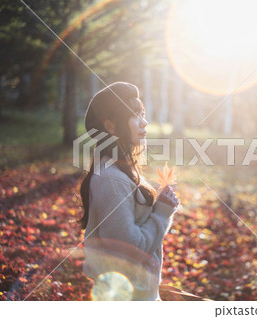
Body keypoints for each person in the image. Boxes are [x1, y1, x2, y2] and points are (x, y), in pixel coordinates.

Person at [77, 82, 179, 301]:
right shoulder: (111, 179)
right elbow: (128, 249)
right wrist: (161, 213)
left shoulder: (121, 170)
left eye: (142, 114)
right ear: (111, 126)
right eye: (135, 116)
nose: (144, 123)